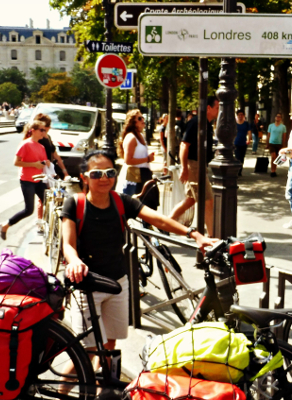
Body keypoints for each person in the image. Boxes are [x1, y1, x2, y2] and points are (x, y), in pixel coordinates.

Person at [62, 149, 214, 361]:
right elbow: (67, 245)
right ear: (84, 178)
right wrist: (75, 261)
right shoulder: (74, 204)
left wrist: (194, 234)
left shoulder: (121, 201)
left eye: (109, 172)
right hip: (87, 285)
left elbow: (158, 220)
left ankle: (103, 389)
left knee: (110, 344)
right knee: (87, 352)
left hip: (118, 283)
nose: (104, 178)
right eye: (96, 174)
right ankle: (67, 389)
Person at [169, 95, 219, 235]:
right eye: (217, 107)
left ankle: (166, 223)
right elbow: (184, 145)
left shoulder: (206, 124)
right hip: (194, 166)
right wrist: (184, 167)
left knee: (191, 200)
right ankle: (212, 235)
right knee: (208, 201)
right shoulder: (196, 122)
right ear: (208, 108)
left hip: (199, 166)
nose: (219, 110)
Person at [0, 121, 51, 239]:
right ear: (33, 130)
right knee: (29, 210)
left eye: (45, 130)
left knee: (49, 203)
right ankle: (5, 225)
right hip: (27, 180)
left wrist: (46, 163)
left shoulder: (41, 146)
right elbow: (16, 162)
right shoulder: (25, 144)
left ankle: (45, 228)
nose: (44, 132)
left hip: (39, 180)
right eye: (42, 130)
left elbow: (43, 161)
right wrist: (34, 165)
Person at [118, 109, 154, 195]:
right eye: (139, 118)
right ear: (133, 122)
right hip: (132, 179)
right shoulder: (131, 137)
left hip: (142, 176)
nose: (143, 120)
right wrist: (147, 159)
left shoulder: (140, 135)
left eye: (143, 118)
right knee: (131, 205)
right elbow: (128, 160)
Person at [233, 110, 251, 176]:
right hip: (236, 142)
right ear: (237, 116)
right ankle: (237, 171)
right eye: (239, 115)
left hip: (243, 143)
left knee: (242, 157)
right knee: (237, 157)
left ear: (244, 116)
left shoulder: (246, 124)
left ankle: (240, 170)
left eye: (241, 115)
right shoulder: (234, 124)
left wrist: (249, 139)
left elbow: (249, 132)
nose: (240, 116)